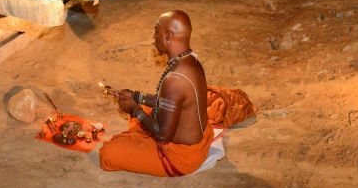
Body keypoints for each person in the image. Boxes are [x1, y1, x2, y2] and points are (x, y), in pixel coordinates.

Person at [99, 10, 255, 177]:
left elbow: (162, 135)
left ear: (167, 36)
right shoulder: (191, 60)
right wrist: (137, 97)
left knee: (108, 154)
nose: (153, 37)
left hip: (180, 156)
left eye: (156, 32)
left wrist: (134, 110)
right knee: (145, 111)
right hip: (198, 137)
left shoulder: (175, 79)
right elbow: (169, 101)